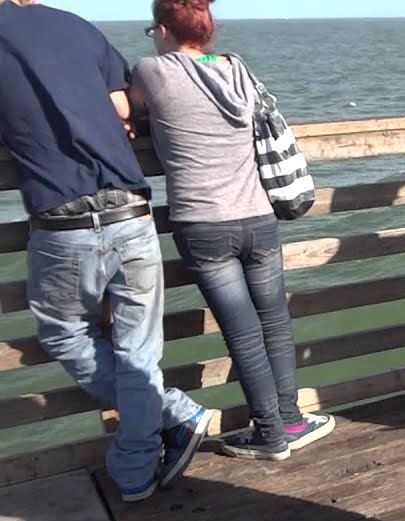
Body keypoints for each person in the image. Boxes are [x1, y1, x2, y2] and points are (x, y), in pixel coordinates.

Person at [0, 0, 209, 502]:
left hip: (62, 218)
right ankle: (151, 443)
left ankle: (165, 426)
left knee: (63, 332)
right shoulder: (74, 24)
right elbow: (121, 106)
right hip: (131, 210)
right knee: (138, 353)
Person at [128, 0, 335, 461]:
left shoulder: (151, 72)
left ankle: (268, 435)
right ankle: (292, 419)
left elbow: (130, 112)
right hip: (259, 217)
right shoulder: (237, 68)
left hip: (203, 224)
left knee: (243, 334)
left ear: (163, 29)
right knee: (275, 322)